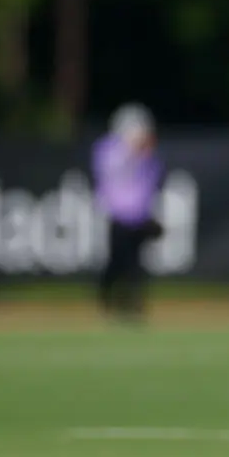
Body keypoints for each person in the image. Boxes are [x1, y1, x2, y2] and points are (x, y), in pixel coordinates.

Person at [91, 103, 164, 322]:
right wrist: (133, 151)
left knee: (136, 263)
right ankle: (107, 299)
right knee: (117, 261)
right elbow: (110, 171)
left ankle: (133, 304)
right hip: (117, 215)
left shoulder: (148, 157)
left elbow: (149, 183)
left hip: (138, 216)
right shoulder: (108, 149)